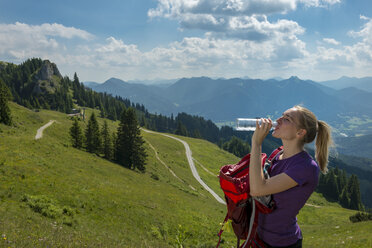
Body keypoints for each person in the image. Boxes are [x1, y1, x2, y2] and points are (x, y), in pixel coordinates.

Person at [249, 105, 333, 248]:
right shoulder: (277, 154)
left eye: (287, 119)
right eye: (282, 115)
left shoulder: (306, 167)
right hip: (259, 237)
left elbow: (257, 189)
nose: (278, 120)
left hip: (281, 243)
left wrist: (256, 143)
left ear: (300, 132)